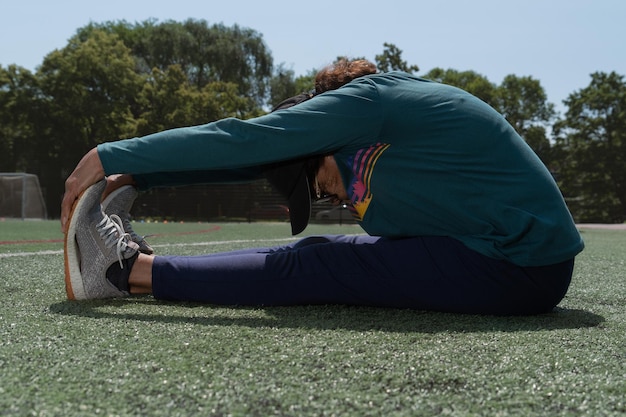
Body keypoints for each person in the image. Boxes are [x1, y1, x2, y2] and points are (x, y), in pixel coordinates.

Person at [61, 59, 584, 315]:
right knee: (315, 249)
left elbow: (244, 141)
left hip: (520, 266)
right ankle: (134, 269)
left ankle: (123, 272)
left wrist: (111, 154)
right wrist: (141, 176)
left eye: (316, 185)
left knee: (318, 264)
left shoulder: (369, 106)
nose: (330, 199)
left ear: (326, 137)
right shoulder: (375, 123)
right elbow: (257, 159)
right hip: (506, 255)